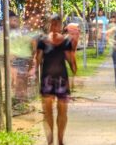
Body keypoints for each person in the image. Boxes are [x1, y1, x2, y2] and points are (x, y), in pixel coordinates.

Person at [32, 15, 78, 145]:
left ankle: (60, 139)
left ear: (60, 26)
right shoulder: (43, 41)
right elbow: (38, 60)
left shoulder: (66, 41)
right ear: (50, 25)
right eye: (52, 24)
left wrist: (74, 65)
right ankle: (50, 139)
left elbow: (71, 61)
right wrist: (36, 51)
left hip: (62, 79)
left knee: (62, 110)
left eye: (57, 24)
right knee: (47, 111)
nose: (54, 26)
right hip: (47, 79)